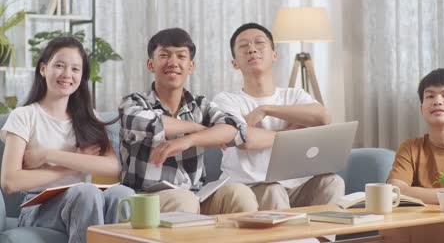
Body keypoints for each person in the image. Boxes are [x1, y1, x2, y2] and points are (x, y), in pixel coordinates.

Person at [0, 37, 134, 243]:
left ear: (82, 76)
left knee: (122, 193)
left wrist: (49, 155)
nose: (67, 75)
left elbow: (112, 167)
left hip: (86, 203)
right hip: (38, 209)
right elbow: (10, 182)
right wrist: (72, 165)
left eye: (75, 69)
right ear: (43, 69)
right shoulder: (24, 116)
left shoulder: (90, 118)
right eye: (59, 66)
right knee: (85, 192)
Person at [119, 28, 258, 214]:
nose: (173, 62)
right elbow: (150, 123)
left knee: (239, 193)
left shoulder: (201, 106)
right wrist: (198, 128)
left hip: (197, 196)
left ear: (191, 66)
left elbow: (235, 129)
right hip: (146, 200)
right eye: (164, 55)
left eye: (181, 56)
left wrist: (188, 140)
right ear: (150, 64)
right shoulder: (133, 102)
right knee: (184, 200)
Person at [213, 23, 345, 211]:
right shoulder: (225, 100)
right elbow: (245, 139)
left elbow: (323, 117)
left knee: (332, 182)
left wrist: (266, 109)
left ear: (274, 55)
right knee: (272, 189)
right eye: (243, 46)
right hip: (251, 188)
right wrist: (293, 133)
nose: (252, 49)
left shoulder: (295, 95)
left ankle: (319, 241)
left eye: (259, 43)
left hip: (297, 187)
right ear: (234, 63)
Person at [387, 68, 444, 206]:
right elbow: (395, 191)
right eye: (430, 96)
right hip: (412, 225)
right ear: (421, 109)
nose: (437, 101)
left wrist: (412, 193)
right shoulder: (410, 148)